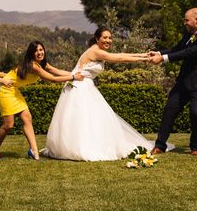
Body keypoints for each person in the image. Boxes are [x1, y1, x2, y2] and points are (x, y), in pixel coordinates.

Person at [42, 27, 164, 161]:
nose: (108, 40)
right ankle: (80, 148)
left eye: (110, 38)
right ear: (97, 39)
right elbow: (120, 58)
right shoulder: (96, 51)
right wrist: (143, 57)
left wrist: (144, 55)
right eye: (105, 37)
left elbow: (120, 55)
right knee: (84, 119)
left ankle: (80, 146)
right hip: (81, 88)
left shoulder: (97, 51)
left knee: (90, 119)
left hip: (84, 86)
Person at [0, 40, 83, 161]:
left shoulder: (41, 64)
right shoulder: (33, 66)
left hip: (13, 90)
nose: (39, 52)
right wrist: (73, 77)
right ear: (31, 53)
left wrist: (77, 74)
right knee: (9, 125)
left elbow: (56, 71)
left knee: (27, 117)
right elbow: (53, 79)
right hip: (4, 90)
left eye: (41, 49)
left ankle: (34, 151)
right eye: (36, 51)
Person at [149, 8, 197, 155]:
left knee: (195, 113)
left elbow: (188, 53)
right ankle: (160, 145)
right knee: (169, 111)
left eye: (186, 19)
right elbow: (177, 49)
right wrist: (159, 53)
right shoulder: (188, 35)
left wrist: (163, 59)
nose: (184, 22)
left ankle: (195, 147)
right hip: (183, 82)